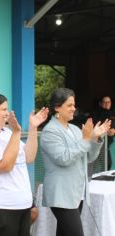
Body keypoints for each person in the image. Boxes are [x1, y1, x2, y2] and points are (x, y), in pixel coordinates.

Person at [0, 92, 48, 236]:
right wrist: (16, 133)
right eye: (3, 109)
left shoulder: (7, 133)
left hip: (20, 206)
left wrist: (33, 128)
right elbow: (3, 166)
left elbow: (29, 157)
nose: (7, 113)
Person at [40, 88, 111, 236]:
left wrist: (96, 138)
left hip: (76, 192)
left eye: (74, 105)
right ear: (57, 107)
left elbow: (89, 157)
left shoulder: (75, 129)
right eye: (70, 105)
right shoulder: (50, 131)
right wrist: (86, 139)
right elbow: (63, 158)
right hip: (61, 193)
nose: (74, 109)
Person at [92, 95, 115, 170]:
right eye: (104, 102)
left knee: (108, 164)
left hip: (109, 143)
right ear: (100, 103)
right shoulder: (96, 113)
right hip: (99, 143)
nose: (107, 104)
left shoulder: (112, 113)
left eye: (108, 102)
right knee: (105, 164)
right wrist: (105, 131)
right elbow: (94, 127)